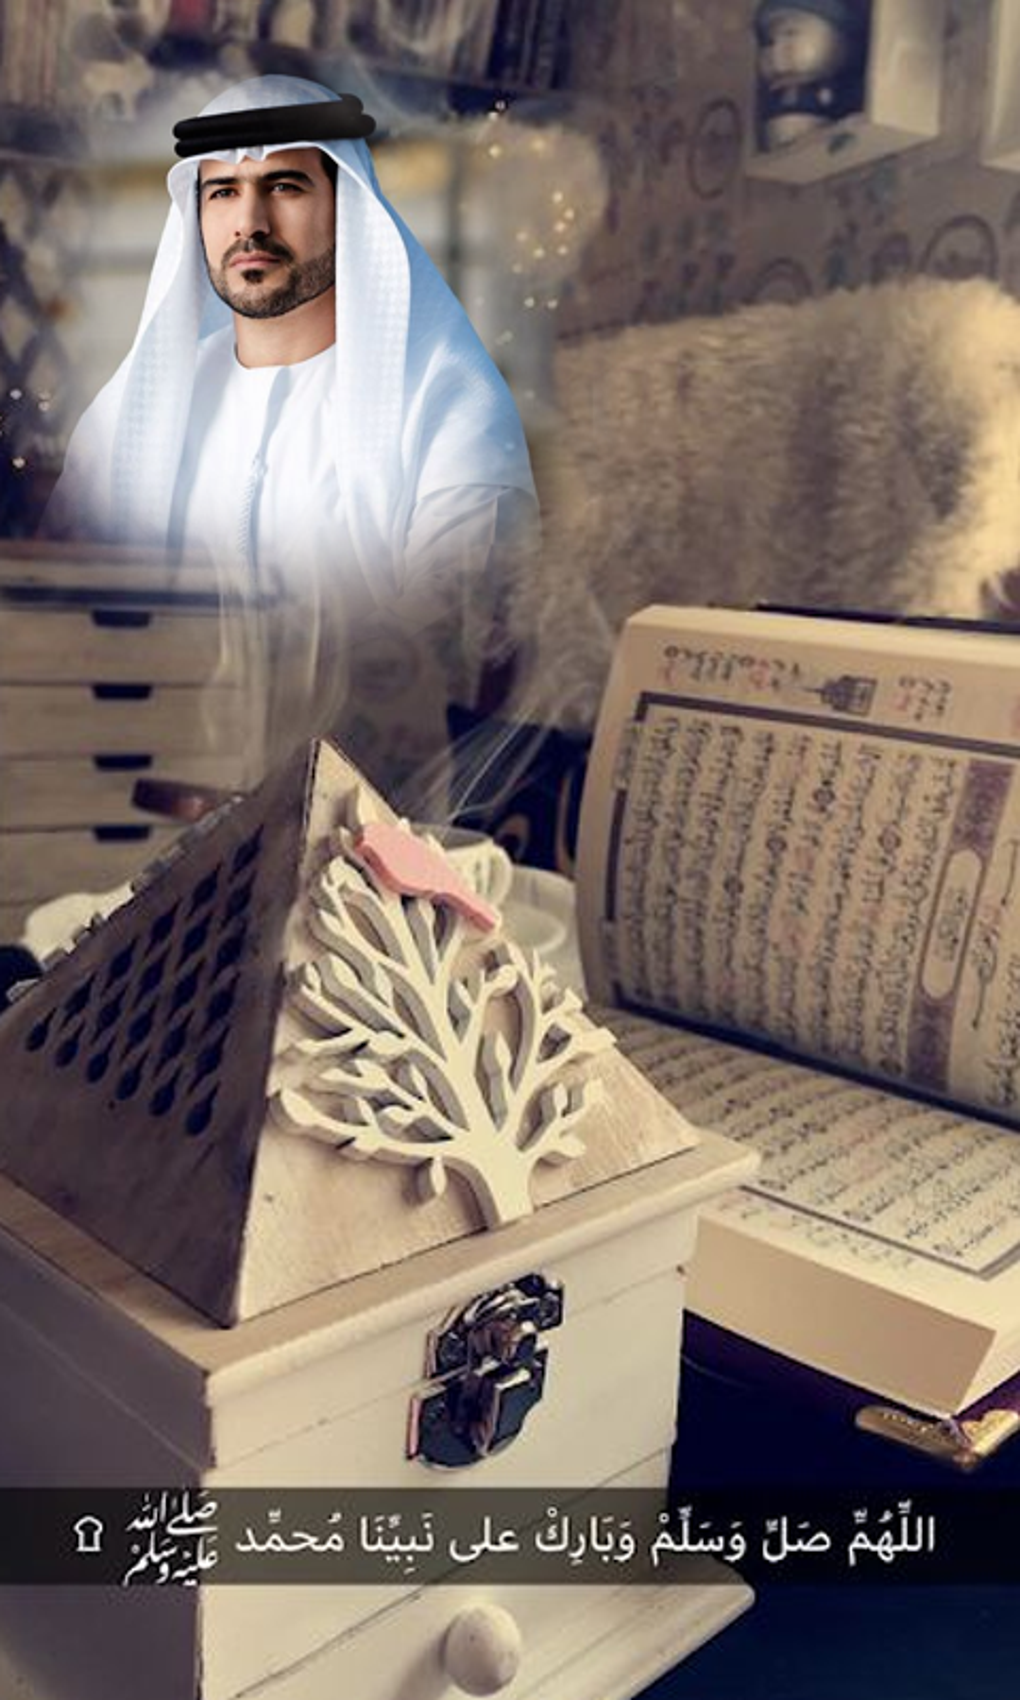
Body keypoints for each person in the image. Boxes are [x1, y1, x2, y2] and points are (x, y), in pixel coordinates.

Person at [47, 74, 538, 786]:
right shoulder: (128, 413)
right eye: (223, 192)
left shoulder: (448, 402)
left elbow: (460, 656)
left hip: (362, 805)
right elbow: (57, 630)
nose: (250, 222)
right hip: (136, 796)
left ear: (345, 204)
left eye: (284, 186)